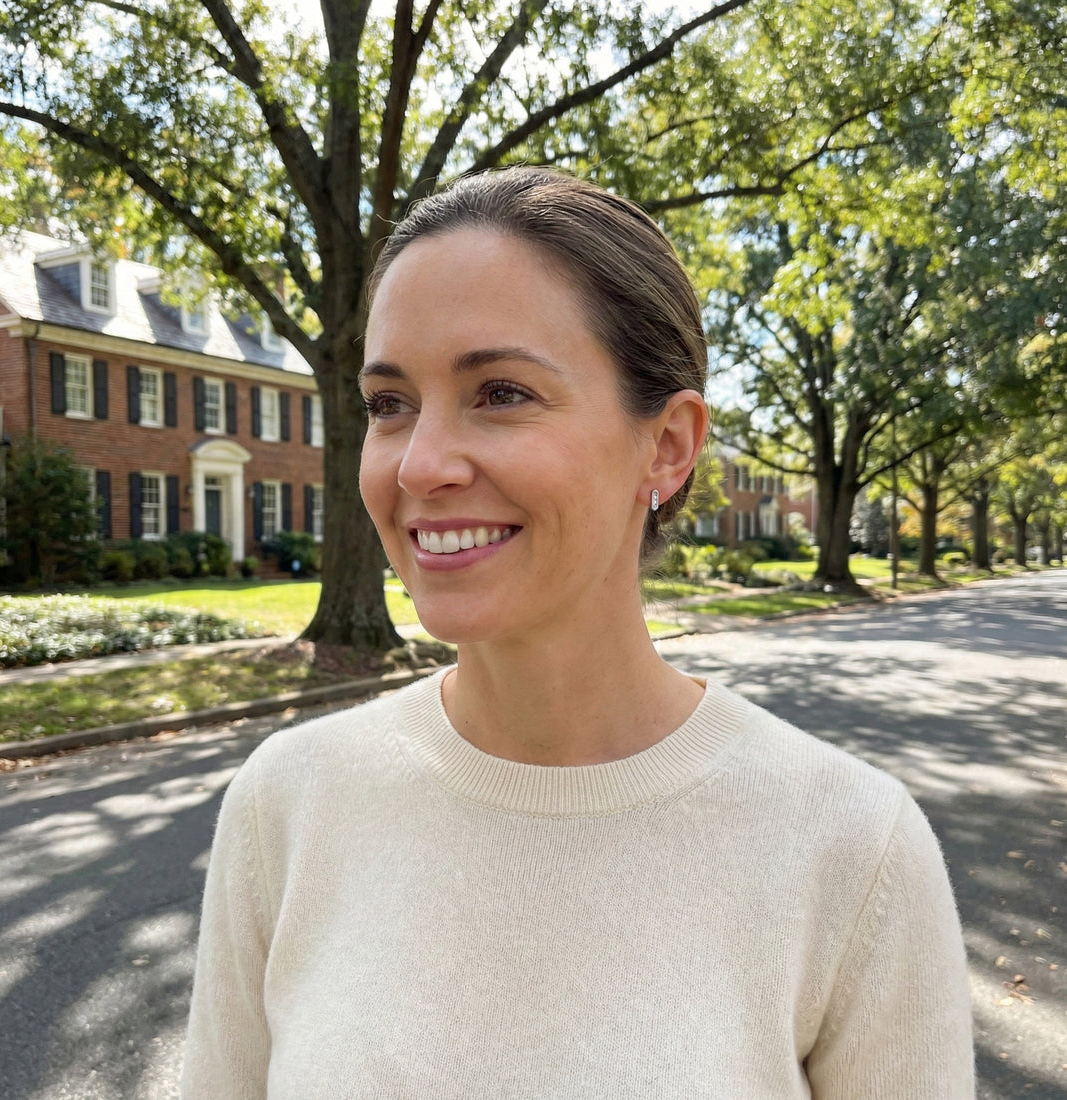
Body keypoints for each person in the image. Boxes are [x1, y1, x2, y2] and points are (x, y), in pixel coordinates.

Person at [181, 168, 974, 1097]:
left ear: (668, 447)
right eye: (391, 405)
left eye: (502, 393)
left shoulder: (852, 850)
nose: (422, 464)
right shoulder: (287, 806)